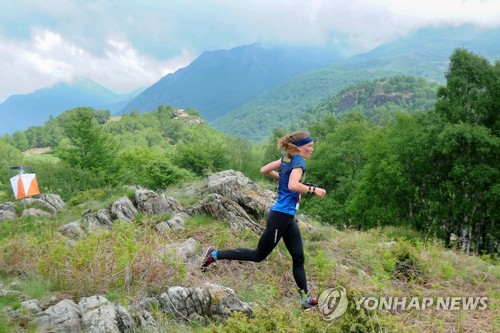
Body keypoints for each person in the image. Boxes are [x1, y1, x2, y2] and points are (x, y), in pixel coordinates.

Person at [200, 131, 326, 309]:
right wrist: (314, 190)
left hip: (288, 217)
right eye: (310, 145)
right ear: (299, 147)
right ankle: (214, 254)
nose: (312, 149)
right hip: (280, 216)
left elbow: (265, 170)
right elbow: (292, 185)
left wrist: (284, 177)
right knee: (258, 255)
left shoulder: (287, 159)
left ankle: (305, 300)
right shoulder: (298, 161)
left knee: (298, 257)